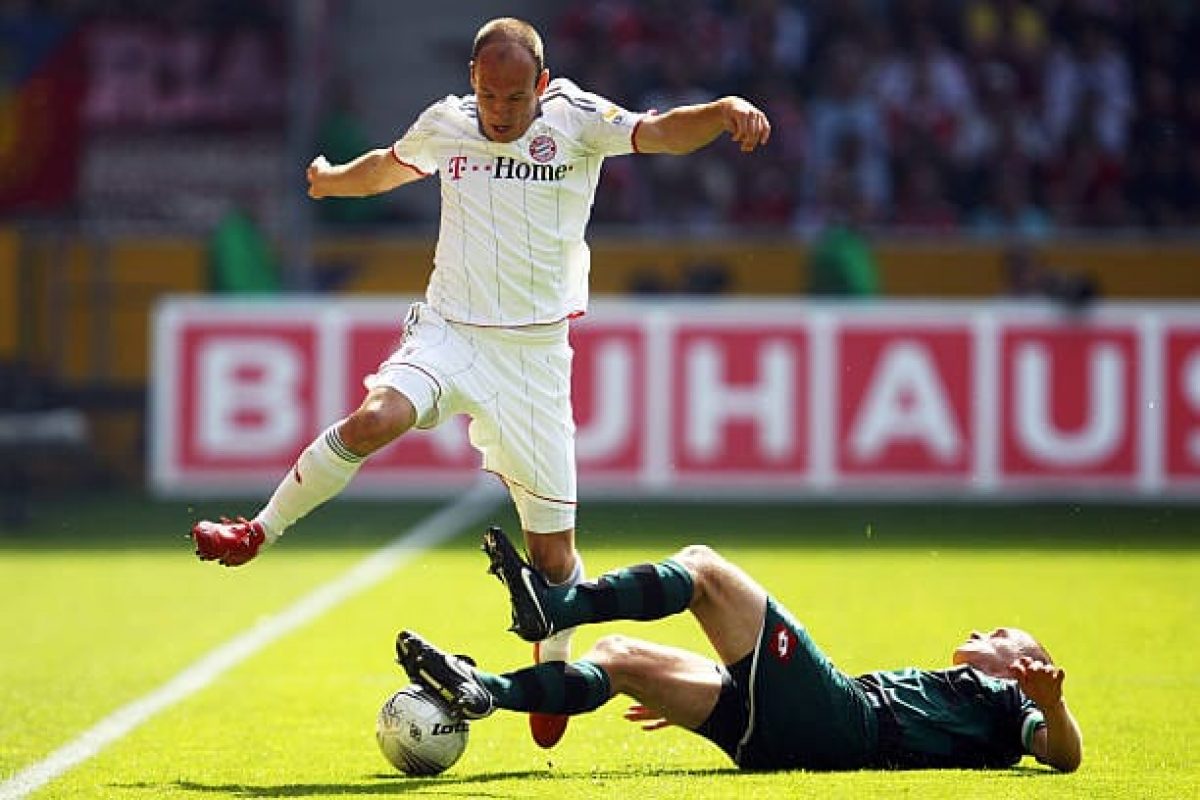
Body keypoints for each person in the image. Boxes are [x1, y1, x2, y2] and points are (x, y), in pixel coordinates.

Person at [189, 17, 771, 750]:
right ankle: (258, 529)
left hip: (533, 359)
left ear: (542, 84)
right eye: (489, 95)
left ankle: (552, 663)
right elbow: (389, 166)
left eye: (515, 97)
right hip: (449, 334)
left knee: (553, 558)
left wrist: (720, 112)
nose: (500, 110)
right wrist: (333, 181)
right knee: (374, 419)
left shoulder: (577, 120)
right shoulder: (448, 124)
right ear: (472, 81)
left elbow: (658, 132)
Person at [393, 526, 1083, 773]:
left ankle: (558, 606)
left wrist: (1051, 705)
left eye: (1001, 636)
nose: (983, 635)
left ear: (1022, 665)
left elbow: (1064, 757)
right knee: (620, 655)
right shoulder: (966, 699)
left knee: (704, 568)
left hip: (847, 725)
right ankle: (485, 691)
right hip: (783, 737)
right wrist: (739, 692)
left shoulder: (1006, 702)